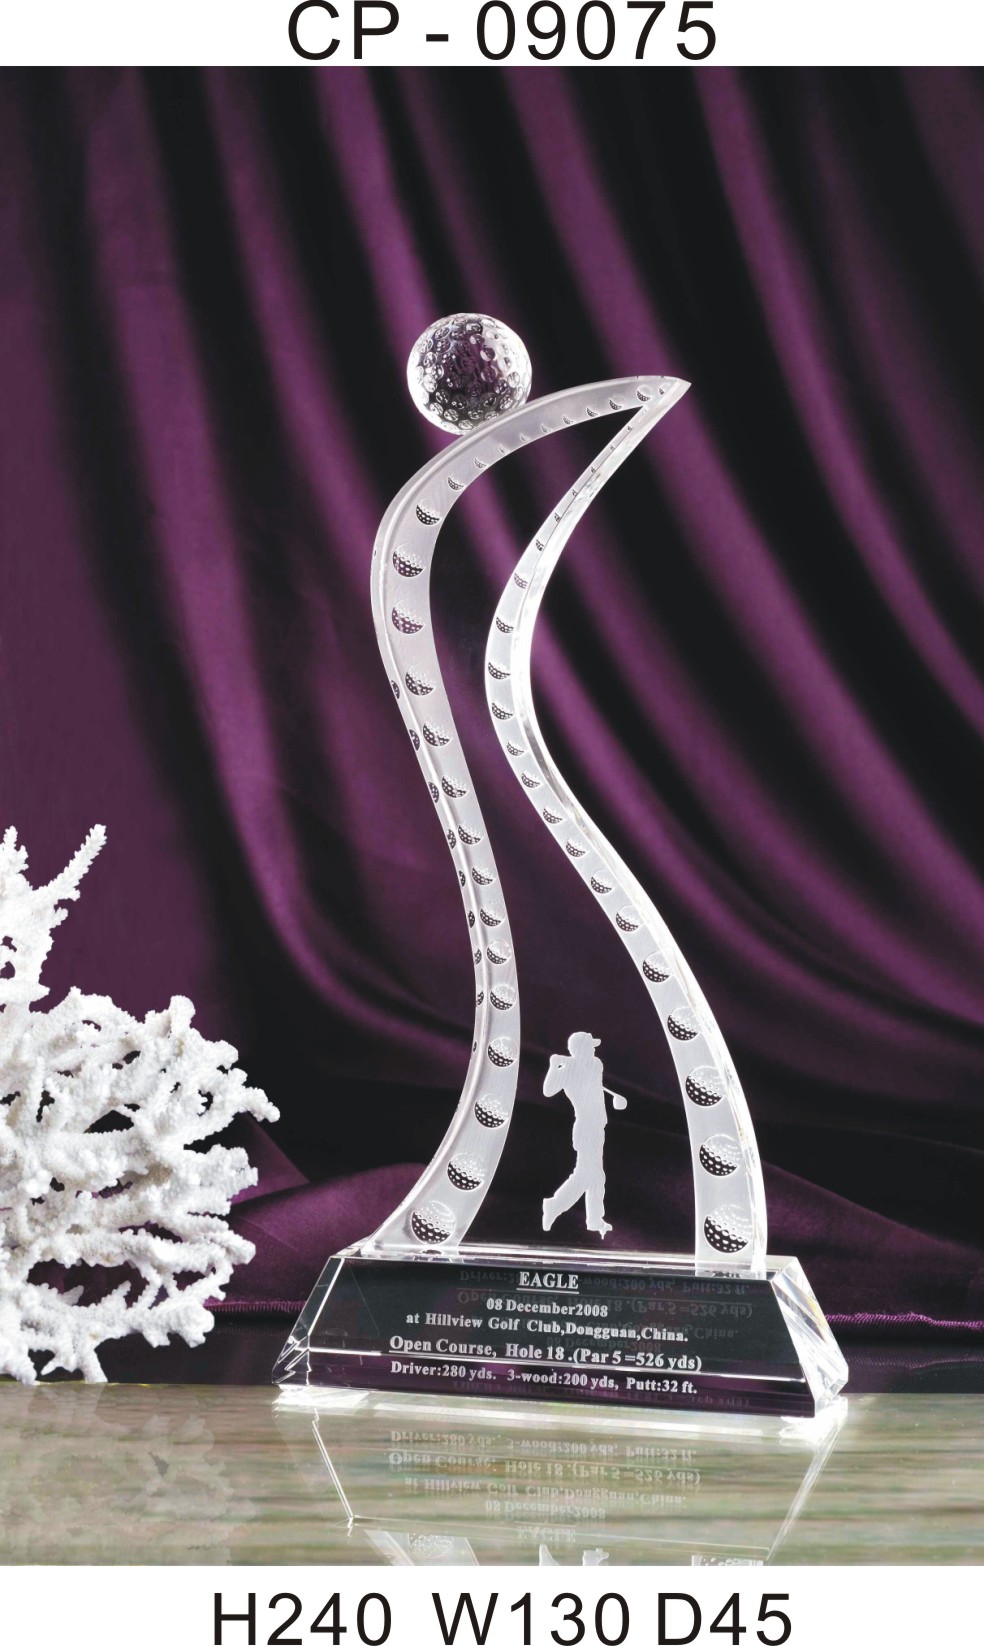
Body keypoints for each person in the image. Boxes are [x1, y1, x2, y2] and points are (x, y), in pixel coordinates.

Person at [541, 1031, 621, 1239]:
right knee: (588, 1174)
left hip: (597, 1126)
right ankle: (555, 1205)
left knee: (594, 1175)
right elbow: (548, 1091)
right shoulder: (569, 1069)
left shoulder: (594, 1064)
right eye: (590, 1046)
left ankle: (593, 1220)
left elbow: (585, 1068)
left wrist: (562, 1064)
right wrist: (554, 1067)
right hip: (586, 1127)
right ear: (582, 1049)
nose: (594, 1050)